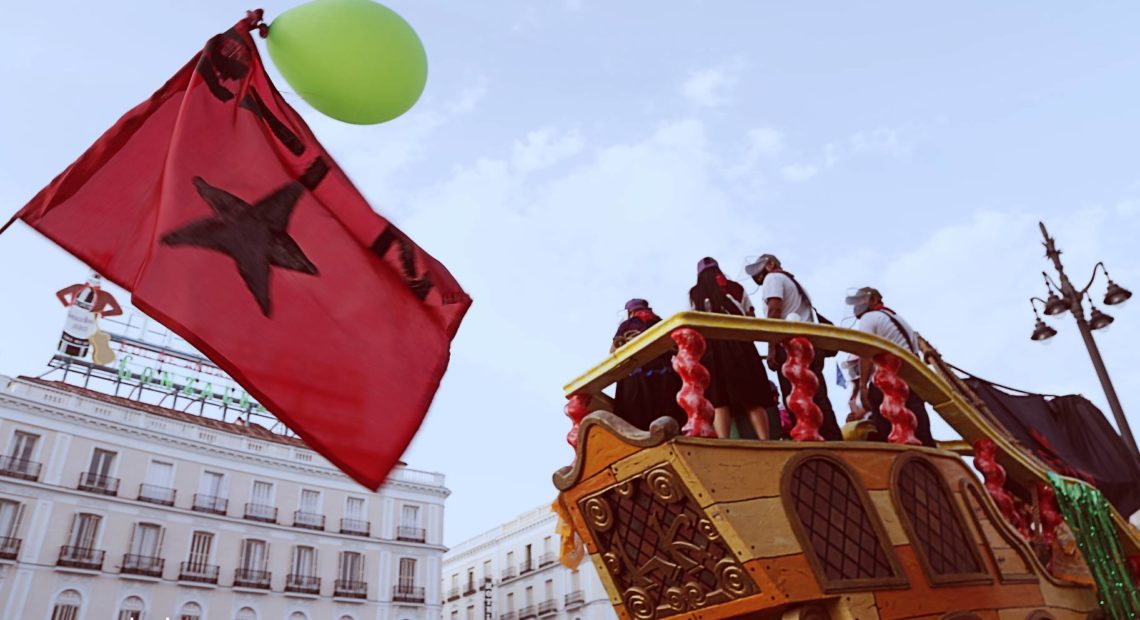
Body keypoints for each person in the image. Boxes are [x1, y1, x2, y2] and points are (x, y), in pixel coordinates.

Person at [745, 254, 842, 441]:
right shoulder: (792, 281)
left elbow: (774, 310)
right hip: (810, 346)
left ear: (770, 264)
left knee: (795, 396)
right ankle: (832, 438)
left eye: (758, 269)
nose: (756, 275)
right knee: (817, 394)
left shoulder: (773, 278)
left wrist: (772, 346)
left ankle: (806, 438)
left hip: (791, 347)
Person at [689, 257, 777, 439]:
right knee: (752, 397)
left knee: (719, 399)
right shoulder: (736, 288)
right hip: (740, 343)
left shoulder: (694, 293)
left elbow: (692, 325)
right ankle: (765, 440)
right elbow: (750, 316)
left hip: (712, 349)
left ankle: (724, 442)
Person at [844, 287, 935, 447]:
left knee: (881, 413)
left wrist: (863, 386)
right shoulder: (898, 319)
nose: (856, 306)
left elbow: (865, 351)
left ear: (873, 300)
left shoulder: (869, 317)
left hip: (891, 377)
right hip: (912, 378)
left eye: (860, 301)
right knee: (918, 419)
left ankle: (890, 447)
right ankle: (928, 450)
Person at [610, 299, 687, 431]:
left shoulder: (627, 324)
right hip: (665, 377)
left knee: (636, 420)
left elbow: (613, 352)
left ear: (630, 312)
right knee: (668, 416)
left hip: (636, 378)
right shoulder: (660, 323)